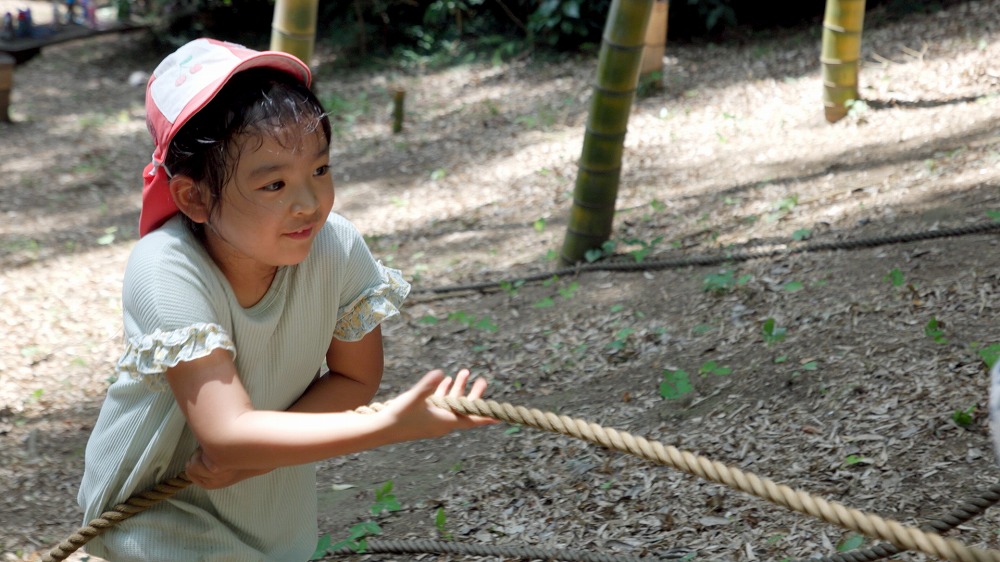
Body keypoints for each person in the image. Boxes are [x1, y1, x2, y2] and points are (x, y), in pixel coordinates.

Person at [77, 37, 495, 561]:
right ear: (195, 197)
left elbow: (354, 378)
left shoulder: (336, 247)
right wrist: (386, 427)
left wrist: (256, 461)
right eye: (274, 185)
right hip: (156, 509)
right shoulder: (166, 268)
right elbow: (226, 434)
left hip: (267, 507)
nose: (309, 203)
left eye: (319, 170)